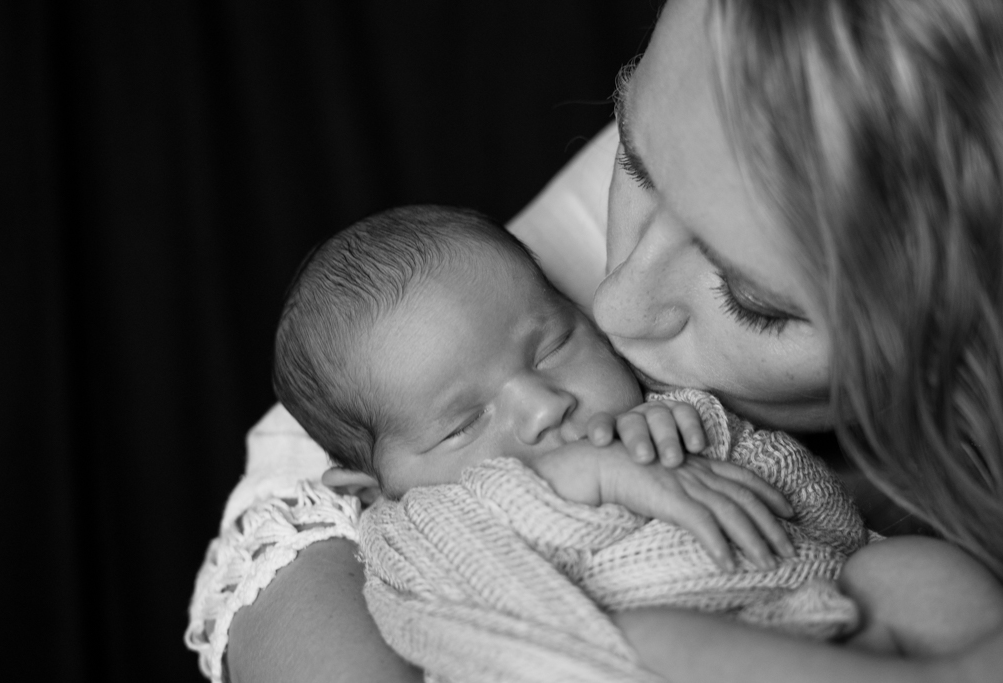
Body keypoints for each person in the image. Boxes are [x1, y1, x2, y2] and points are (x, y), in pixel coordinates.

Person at [185, 0, 1003, 681]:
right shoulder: (442, 473)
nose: (613, 305)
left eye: (752, 297)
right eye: (634, 163)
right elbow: (303, 474)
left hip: (809, 590)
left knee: (918, 577)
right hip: (655, 639)